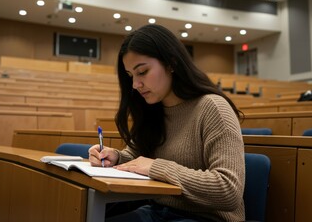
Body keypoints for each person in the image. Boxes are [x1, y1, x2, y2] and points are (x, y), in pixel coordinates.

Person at [88, 24, 245, 222]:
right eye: (131, 76)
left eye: (142, 72)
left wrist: (157, 168)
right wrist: (116, 158)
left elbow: (228, 190)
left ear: (171, 62)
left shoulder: (213, 108)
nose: (135, 85)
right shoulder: (154, 109)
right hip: (158, 210)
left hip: (208, 218)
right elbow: (137, 158)